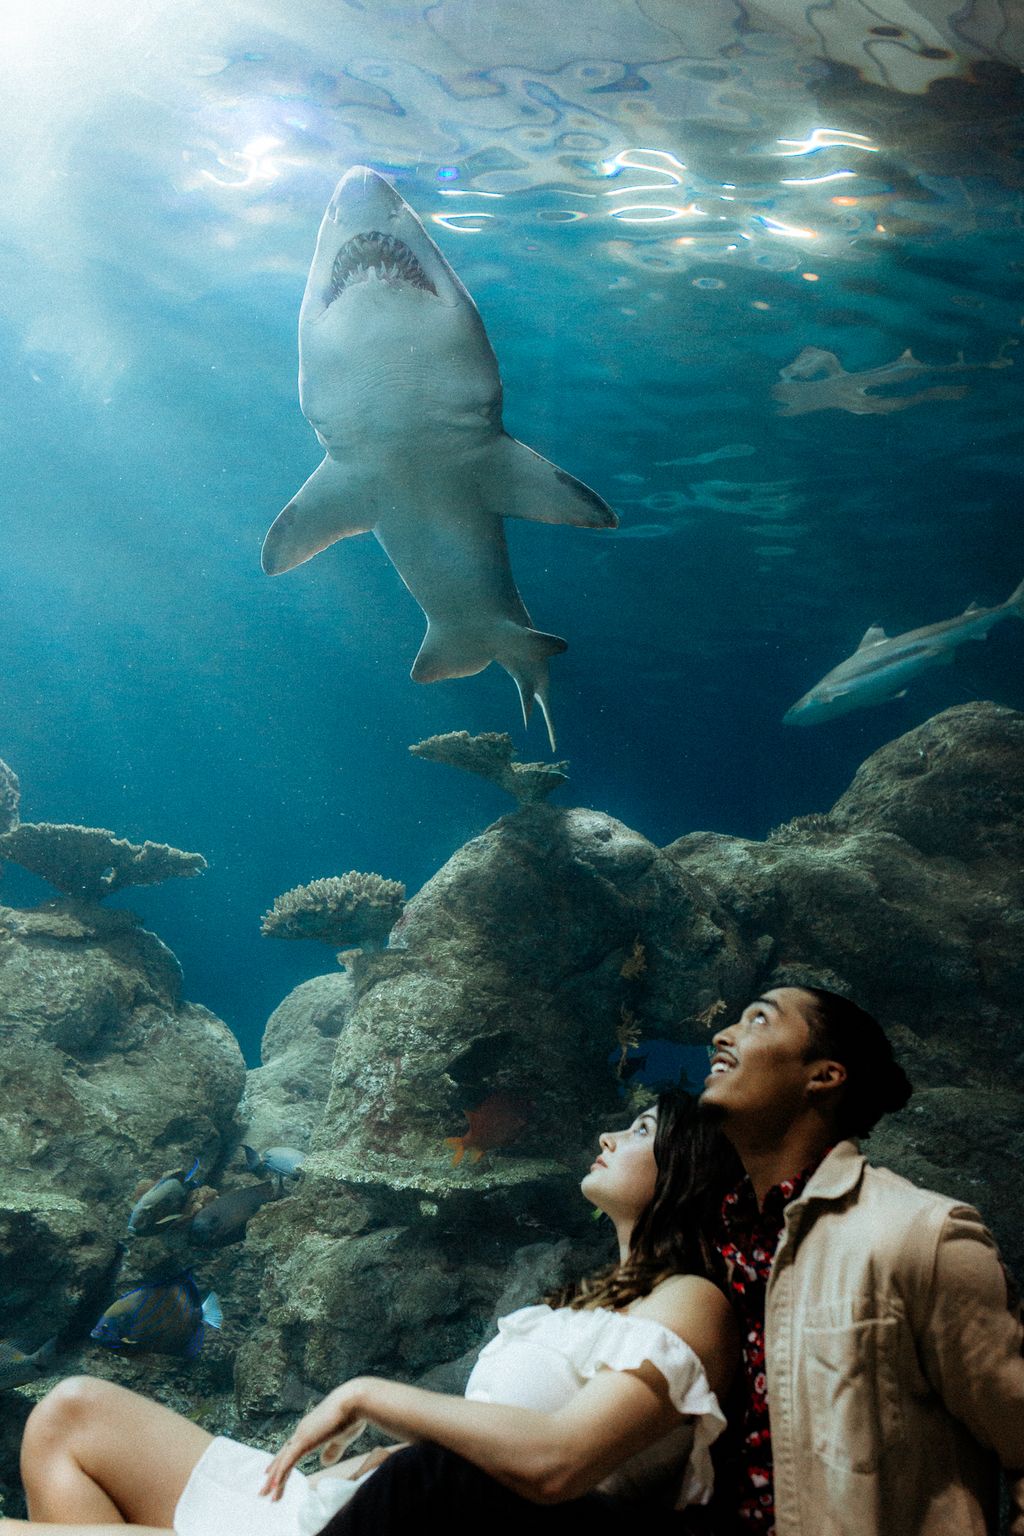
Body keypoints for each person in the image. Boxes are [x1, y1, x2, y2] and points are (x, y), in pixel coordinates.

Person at [2, 1089, 740, 1536]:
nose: (609, 1137)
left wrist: (368, 1395)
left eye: (642, 1131)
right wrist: (380, 1461)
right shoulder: (601, 1292)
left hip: (398, 1524)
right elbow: (490, 1441)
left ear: (691, 1173)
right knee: (70, 1412)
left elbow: (559, 1460)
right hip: (374, 1500)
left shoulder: (692, 1300)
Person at [700, 984, 1024, 1536]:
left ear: (824, 1076)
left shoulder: (922, 1236)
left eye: (758, 1019)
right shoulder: (717, 1248)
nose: (720, 1035)